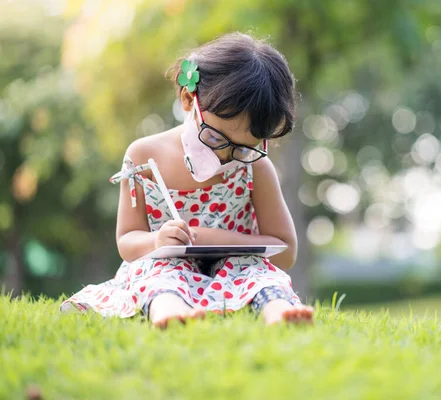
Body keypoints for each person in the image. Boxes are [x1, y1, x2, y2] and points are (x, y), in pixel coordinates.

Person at [60, 32, 314, 328]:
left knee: (260, 273)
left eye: (244, 147)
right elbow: (127, 240)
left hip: (235, 271)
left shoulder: (255, 167)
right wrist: (158, 240)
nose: (226, 156)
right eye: (216, 138)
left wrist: (217, 240)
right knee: (157, 271)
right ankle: (168, 310)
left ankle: (277, 310)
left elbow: (285, 251)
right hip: (166, 266)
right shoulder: (144, 155)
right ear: (187, 100)